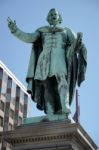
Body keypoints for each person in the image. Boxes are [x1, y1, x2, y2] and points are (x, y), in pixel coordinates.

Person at [7, 8, 87, 119]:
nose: (53, 15)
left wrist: (79, 41)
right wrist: (16, 31)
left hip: (59, 57)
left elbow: (76, 47)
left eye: (55, 14)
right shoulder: (41, 30)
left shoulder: (67, 30)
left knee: (62, 81)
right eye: (51, 14)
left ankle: (65, 106)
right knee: (46, 86)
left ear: (59, 17)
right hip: (44, 59)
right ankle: (50, 112)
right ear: (48, 18)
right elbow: (29, 38)